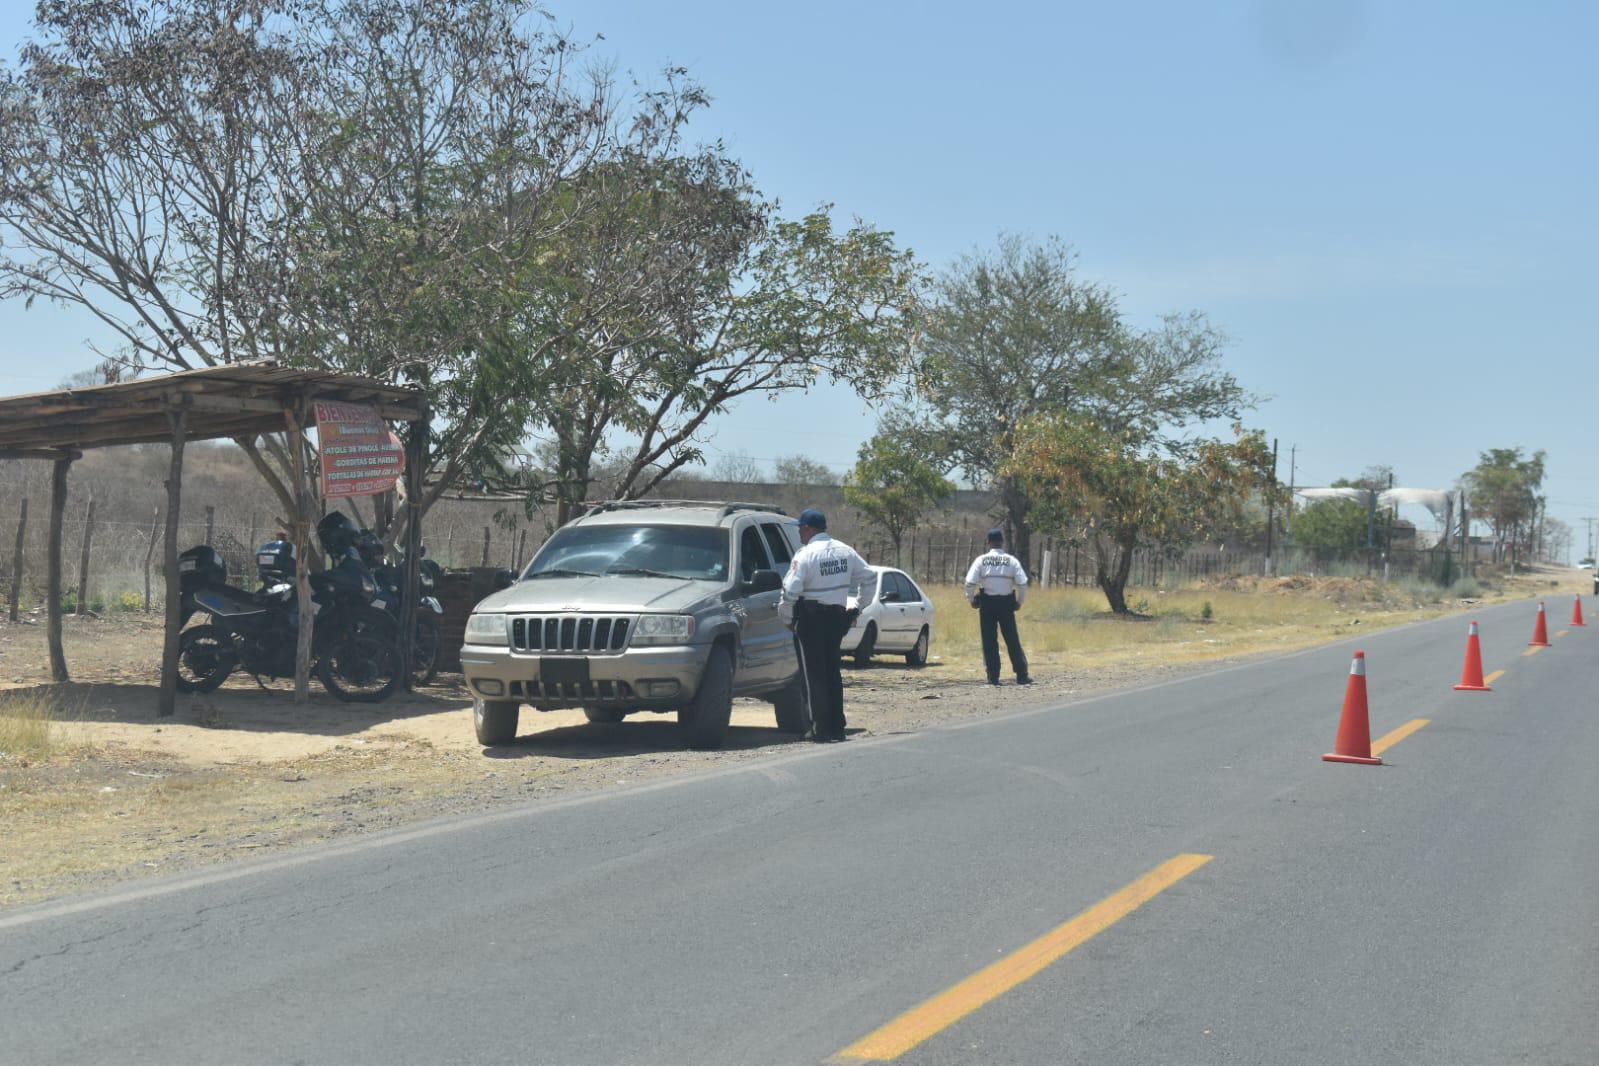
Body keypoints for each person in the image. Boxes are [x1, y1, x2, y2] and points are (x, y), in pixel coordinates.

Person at [780, 507, 875, 742]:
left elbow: (791, 590)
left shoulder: (806, 554)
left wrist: (787, 618)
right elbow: (870, 578)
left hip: (811, 619)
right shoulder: (846, 551)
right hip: (836, 618)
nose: (800, 534)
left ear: (808, 529)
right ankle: (836, 726)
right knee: (832, 671)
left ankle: (819, 728)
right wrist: (858, 608)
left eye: (801, 529)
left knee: (813, 676)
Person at [964, 528, 1032, 686]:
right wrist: (1019, 602)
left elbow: (969, 583)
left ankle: (993, 677)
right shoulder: (1011, 561)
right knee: (1012, 640)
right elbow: (1022, 583)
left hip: (987, 603)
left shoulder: (981, 560)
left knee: (989, 641)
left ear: (988, 542)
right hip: (1006, 604)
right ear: (1002, 542)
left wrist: (972, 599)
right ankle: (1022, 675)